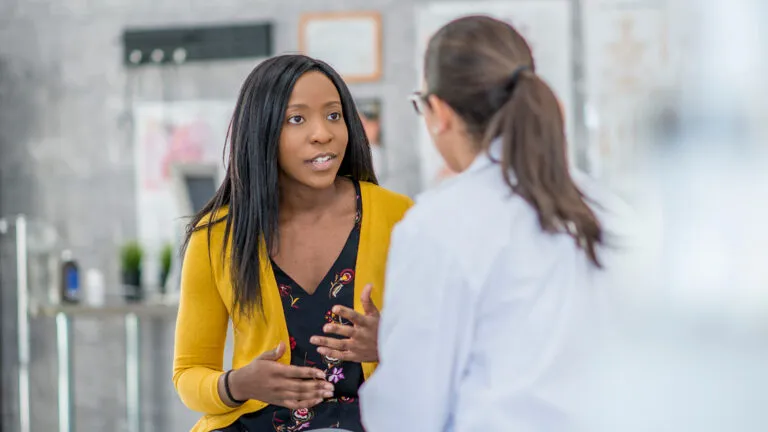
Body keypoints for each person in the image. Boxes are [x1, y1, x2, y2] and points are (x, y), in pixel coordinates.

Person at [360, 16, 620, 432]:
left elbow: (408, 415)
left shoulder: (438, 223)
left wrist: (394, 350)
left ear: (438, 112)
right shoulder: (605, 208)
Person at [173, 54, 413, 432]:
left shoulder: (401, 219)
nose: (323, 133)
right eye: (297, 119)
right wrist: (237, 384)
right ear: (262, 131)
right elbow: (188, 374)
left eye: (334, 115)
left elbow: (456, 352)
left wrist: (390, 345)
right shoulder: (215, 236)